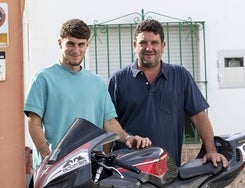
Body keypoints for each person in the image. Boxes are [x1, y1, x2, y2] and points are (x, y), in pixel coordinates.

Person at [24, 18, 152, 177]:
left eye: (81, 44)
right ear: (60, 43)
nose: (76, 50)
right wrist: (48, 158)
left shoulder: (97, 83)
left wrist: (127, 138)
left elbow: (109, 122)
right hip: (54, 171)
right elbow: (34, 123)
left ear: (87, 45)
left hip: (88, 170)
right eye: (70, 44)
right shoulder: (44, 78)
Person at [108, 19, 228, 168]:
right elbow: (108, 124)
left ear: (163, 46)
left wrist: (211, 150)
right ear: (134, 45)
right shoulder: (118, 79)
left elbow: (199, 115)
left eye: (154, 43)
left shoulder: (180, 75)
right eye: (143, 43)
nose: (148, 48)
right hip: (127, 170)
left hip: (167, 169)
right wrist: (105, 163)